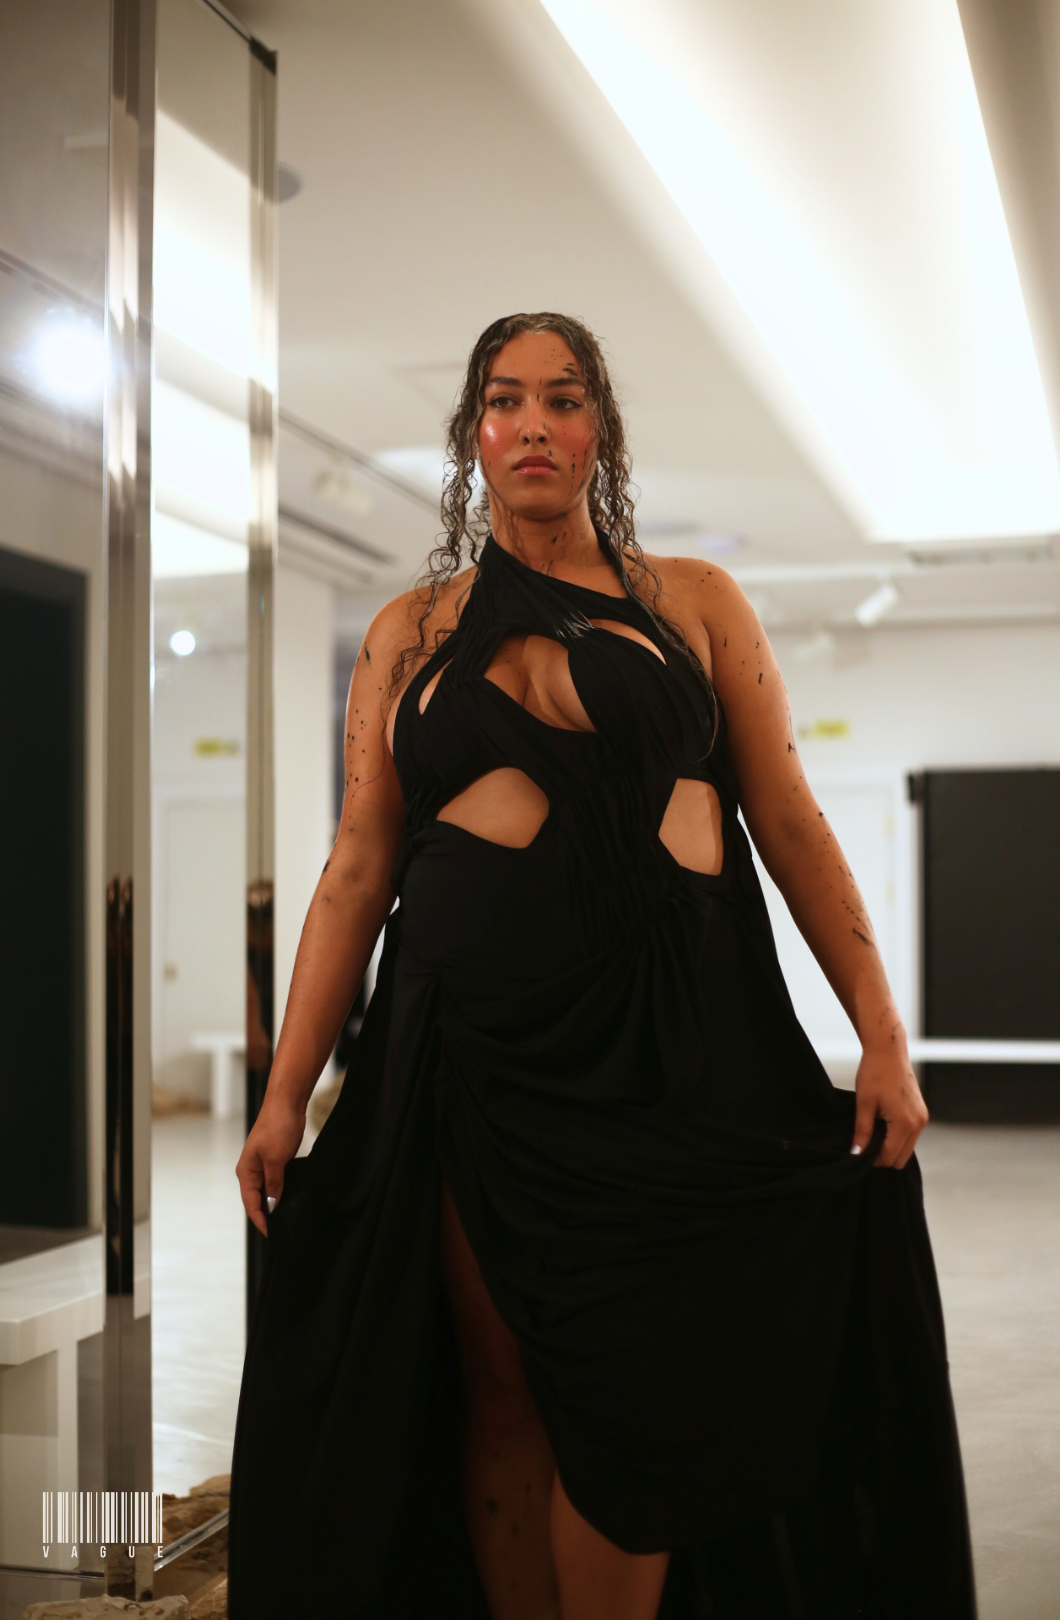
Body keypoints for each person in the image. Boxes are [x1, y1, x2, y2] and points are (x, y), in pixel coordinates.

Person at [228, 313, 975, 1620]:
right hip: (472, 1058)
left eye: (564, 400)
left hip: (668, 1049)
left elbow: (790, 821)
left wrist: (883, 1033)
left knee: (641, 1393)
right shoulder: (408, 631)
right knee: (504, 1384)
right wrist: (287, 1092)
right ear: (473, 436)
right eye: (506, 400)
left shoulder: (694, 601)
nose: (534, 424)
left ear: (600, 434)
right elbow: (357, 868)